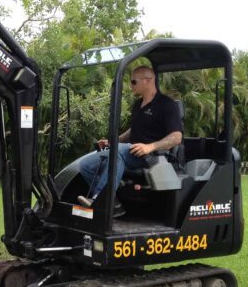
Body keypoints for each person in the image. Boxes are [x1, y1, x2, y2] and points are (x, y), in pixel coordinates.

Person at [77, 65, 184, 213]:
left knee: (118, 153)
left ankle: (101, 200)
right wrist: (114, 141)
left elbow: (176, 137)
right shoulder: (138, 105)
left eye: (133, 82)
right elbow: (133, 130)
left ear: (147, 80)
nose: (130, 85)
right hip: (131, 151)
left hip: (153, 156)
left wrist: (150, 147)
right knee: (86, 165)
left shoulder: (166, 104)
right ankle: (114, 204)